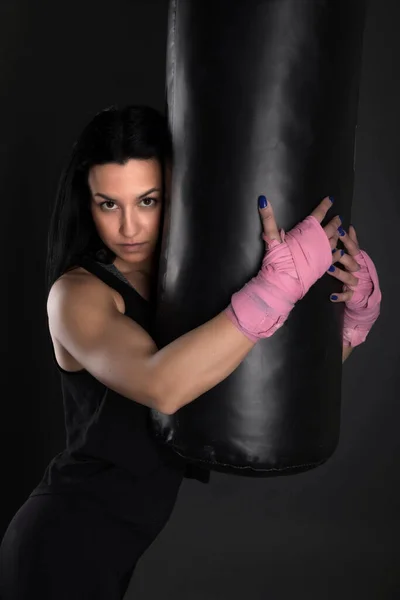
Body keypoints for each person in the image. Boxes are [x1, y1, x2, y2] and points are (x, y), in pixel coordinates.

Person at [0, 104, 380, 599]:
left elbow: (252, 383)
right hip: (58, 545)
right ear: (86, 203)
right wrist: (279, 285)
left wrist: (350, 326)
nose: (130, 227)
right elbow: (165, 385)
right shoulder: (77, 295)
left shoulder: (183, 287)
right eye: (108, 204)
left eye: (148, 200)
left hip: (108, 554)